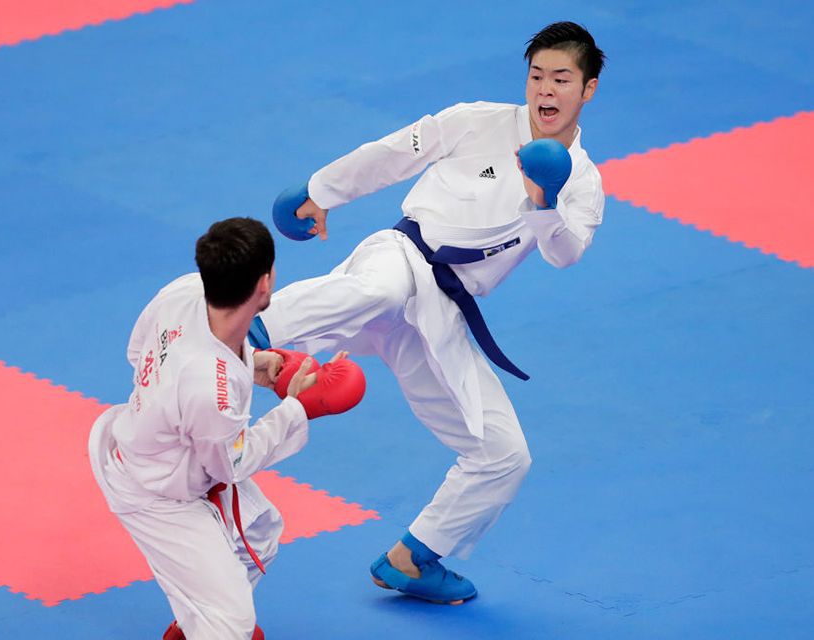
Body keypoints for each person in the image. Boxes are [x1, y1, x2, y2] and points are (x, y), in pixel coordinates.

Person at [252, 21, 606, 605]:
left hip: (445, 313)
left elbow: (566, 254)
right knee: (381, 290)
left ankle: (414, 560)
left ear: (587, 89)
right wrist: (321, 191)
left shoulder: (584, 182)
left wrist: (544, 203)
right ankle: (253, 329)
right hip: (403, 257)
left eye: (561, 79)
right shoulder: (476, 120)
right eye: (537, 75)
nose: (545, 90)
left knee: (504, 455)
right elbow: (393, 152)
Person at [88, 217, 364, 639]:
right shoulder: (209, 388)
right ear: (265, 284)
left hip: (154, 446)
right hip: (157, 492)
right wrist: (299, 409)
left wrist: (251, 364)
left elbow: (137, 352)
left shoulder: (183, 291)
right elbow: (230, 465)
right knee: (235, 624)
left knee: (259, 533)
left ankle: (196, 626)